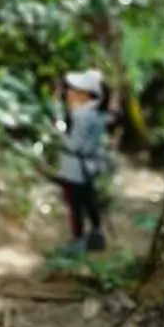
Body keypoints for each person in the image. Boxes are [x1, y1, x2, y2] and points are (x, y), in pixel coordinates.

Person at [54, 69, 110, 254]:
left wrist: (59, 129)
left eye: (74, 89)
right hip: (89, 166)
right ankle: (95, 236)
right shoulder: (96, 114)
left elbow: (74, 145)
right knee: (89, 201)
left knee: (75, 205)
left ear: (85, 94)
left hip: (75, 168)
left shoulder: (82, 116)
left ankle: (78, 242)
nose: (69, 93)